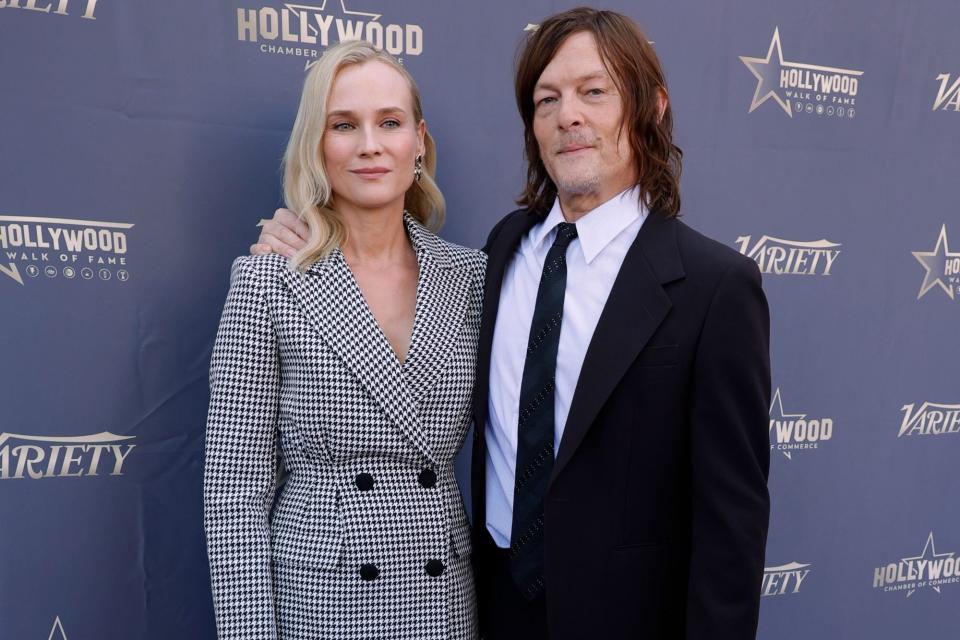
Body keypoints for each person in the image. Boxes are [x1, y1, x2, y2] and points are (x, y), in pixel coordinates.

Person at [254, 8, 771, 640]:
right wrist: (307, 240)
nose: (568, 115)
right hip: (485, 610)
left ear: (652, 106)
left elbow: (732, 522)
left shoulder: (716, 285)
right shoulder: (499, 254)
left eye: (594, 91)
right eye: (546, 98)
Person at [205, 41, 484, 640]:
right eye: (343, 125)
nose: (369, 145)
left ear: (419, 141)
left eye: (389, 122)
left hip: (444, 598)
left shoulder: (473, 278)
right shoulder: (269, 281)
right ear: (317, 144)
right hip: (324, 601)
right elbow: (235, 490)